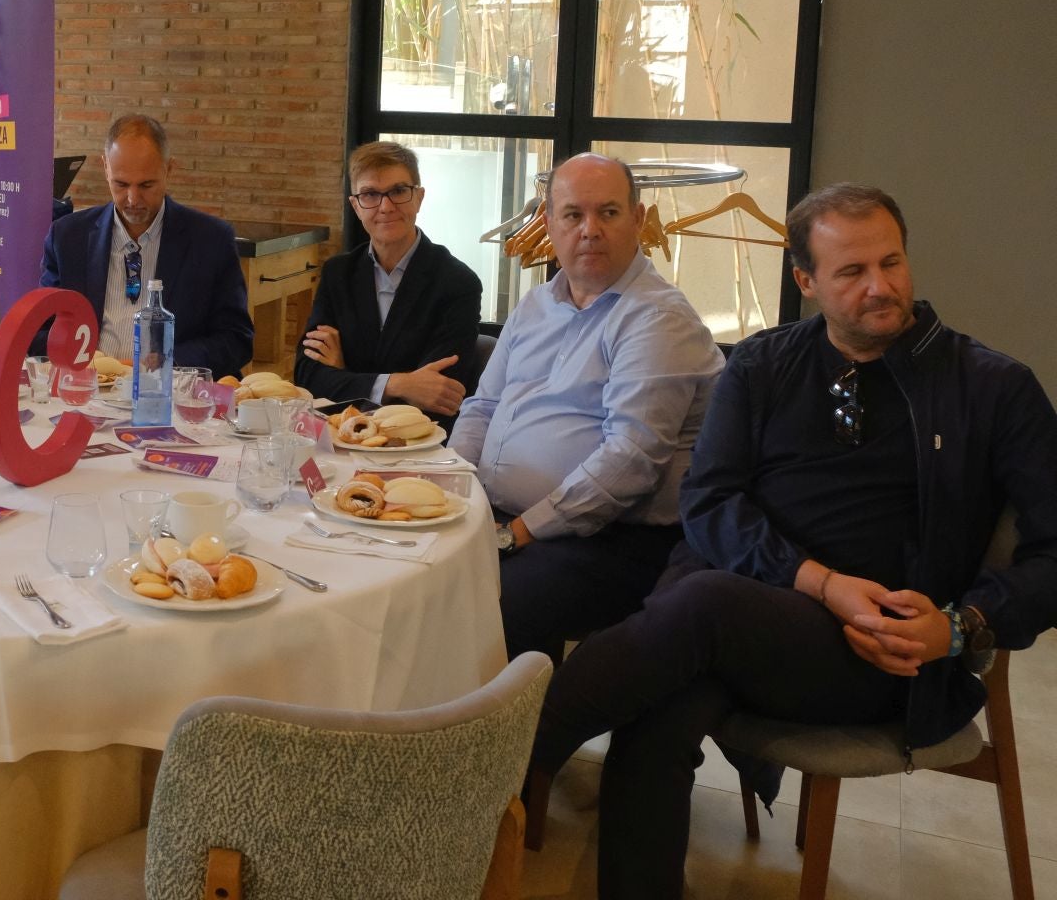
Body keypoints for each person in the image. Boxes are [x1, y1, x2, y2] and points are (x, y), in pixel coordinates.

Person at [527, 184, 1057, 900]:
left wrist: (960, 629)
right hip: (740, 618)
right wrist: (818, 579)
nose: (881, 287)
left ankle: (502, 765)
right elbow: (709, 502)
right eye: (851, 273)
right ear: (805, 281)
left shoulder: (992, 387)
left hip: (879, 650)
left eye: (891, 263)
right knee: (663, 707)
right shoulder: (763, 365)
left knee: (699, 608)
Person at [452, 153, 724, 661]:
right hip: (508, 519)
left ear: (639, 220)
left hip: (614, 538)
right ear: (549, 223)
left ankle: (508, 734)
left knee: (488, 602)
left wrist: (518, 533)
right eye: (573, 215)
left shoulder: (658, 318)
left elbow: (630, 460)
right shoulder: (536, 305)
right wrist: (454, 491)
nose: (590, 230)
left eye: (609, 213)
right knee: (412, 573)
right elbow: (483, 406)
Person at [39, 114, 254, 379]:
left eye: (146, 185)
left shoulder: (210, 240)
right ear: (105, 167)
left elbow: (236, 339)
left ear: (168, 169)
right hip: (88, 389)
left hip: (172, 393)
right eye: (121, 184)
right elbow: (45, 328)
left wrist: (167, 363)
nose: (132, 199)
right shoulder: (68, 237)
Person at [294, 141, 482, 416]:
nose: (385, 206)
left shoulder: (457, 283)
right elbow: (306, 376)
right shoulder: (338, 274)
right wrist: (399, 383)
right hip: (341, 437)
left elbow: (439, 396)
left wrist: (345, 374)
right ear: (355, 206)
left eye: (398, 191)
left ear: (419, 197)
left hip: (416, 446)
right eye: (370, 194)